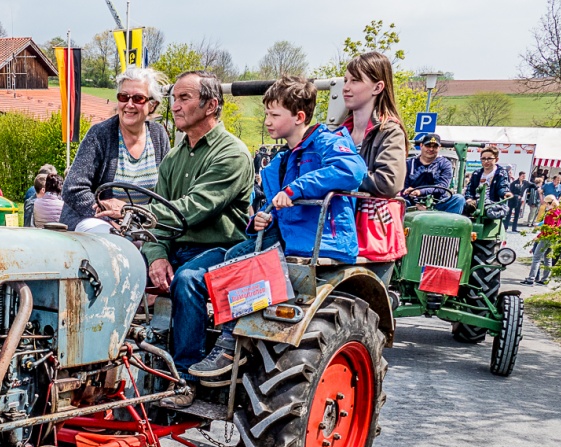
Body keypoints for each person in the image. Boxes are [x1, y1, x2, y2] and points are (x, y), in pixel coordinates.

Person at [188, 75, 366, 381]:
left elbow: (351, 171)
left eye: (274, 115)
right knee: (229, 257)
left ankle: (231, 345)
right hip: (286, 237)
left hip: (320, 240)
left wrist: (297, 189)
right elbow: (268, 205)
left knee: (242, 264)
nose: (267, 121)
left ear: (298, 117)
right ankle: (210, 338)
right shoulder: (279, 160)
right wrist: (259, 219)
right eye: (267, 114)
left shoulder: (327, 141)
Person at [99, 70, 252, 408]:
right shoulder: (174, 157)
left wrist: (131, 211)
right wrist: (155, 256)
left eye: (184, 98)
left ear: (211, 105)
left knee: (187, 280)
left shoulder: (232, 154)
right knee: (109, 268)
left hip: (222, 249)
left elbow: (193, 209)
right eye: (174, 98)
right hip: (178, 247)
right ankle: (99, 377)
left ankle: (184, 378)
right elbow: (160, 219)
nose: (175, 105)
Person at [61, 66, 172, 233]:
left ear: (152, 105)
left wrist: (133, 216)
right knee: (114, 240)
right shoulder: (100, 135)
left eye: (138, 98)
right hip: (97, 221)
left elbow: (166, 192)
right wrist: (107, 217)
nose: (129, 104)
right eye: (123, 97)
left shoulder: (158, 135)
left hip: (141, 224)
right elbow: (73, 188)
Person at [339, 51, 408, 261]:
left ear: (378, 87)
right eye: (345, 80)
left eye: (355, 80)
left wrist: (340, 176)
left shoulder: (390, 132)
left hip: (373, 234)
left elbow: (388, 183)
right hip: (343, 230)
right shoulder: (339, 133)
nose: (346, 87)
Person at [403, 133, 465, 214]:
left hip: (438, 203)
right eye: (428, 146)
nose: (431, 149)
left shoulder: (445, 164)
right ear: (421, 146)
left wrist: (420, 191)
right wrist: (413, 197)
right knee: (398, 201)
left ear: (439, 147)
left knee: (459, 199)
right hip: (412, 203)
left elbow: (442, 187)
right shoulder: (409, 163)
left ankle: (448, 225)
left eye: (434, 146)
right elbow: (404, 187)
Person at [523, 195, 561, 285]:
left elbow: (547, 228)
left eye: (546, 203)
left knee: (536, 258)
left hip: (546, 237)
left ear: (549, 203)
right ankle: (545, 279)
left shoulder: (550, 213)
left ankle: (531, 279)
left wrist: (539, 236)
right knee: (547, 258)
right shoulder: (559, 212)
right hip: (554, 237)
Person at [464, 146, 510, 218]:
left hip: (491, 203)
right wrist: (469, 198)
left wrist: (505, 193)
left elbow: (502, 187)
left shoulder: (501, 173)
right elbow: (470, 188)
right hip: (475, 202)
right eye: (483, 159)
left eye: (489, 159)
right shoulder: (477, 173)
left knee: (489, 209)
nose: (486, 161)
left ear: (496, 159)